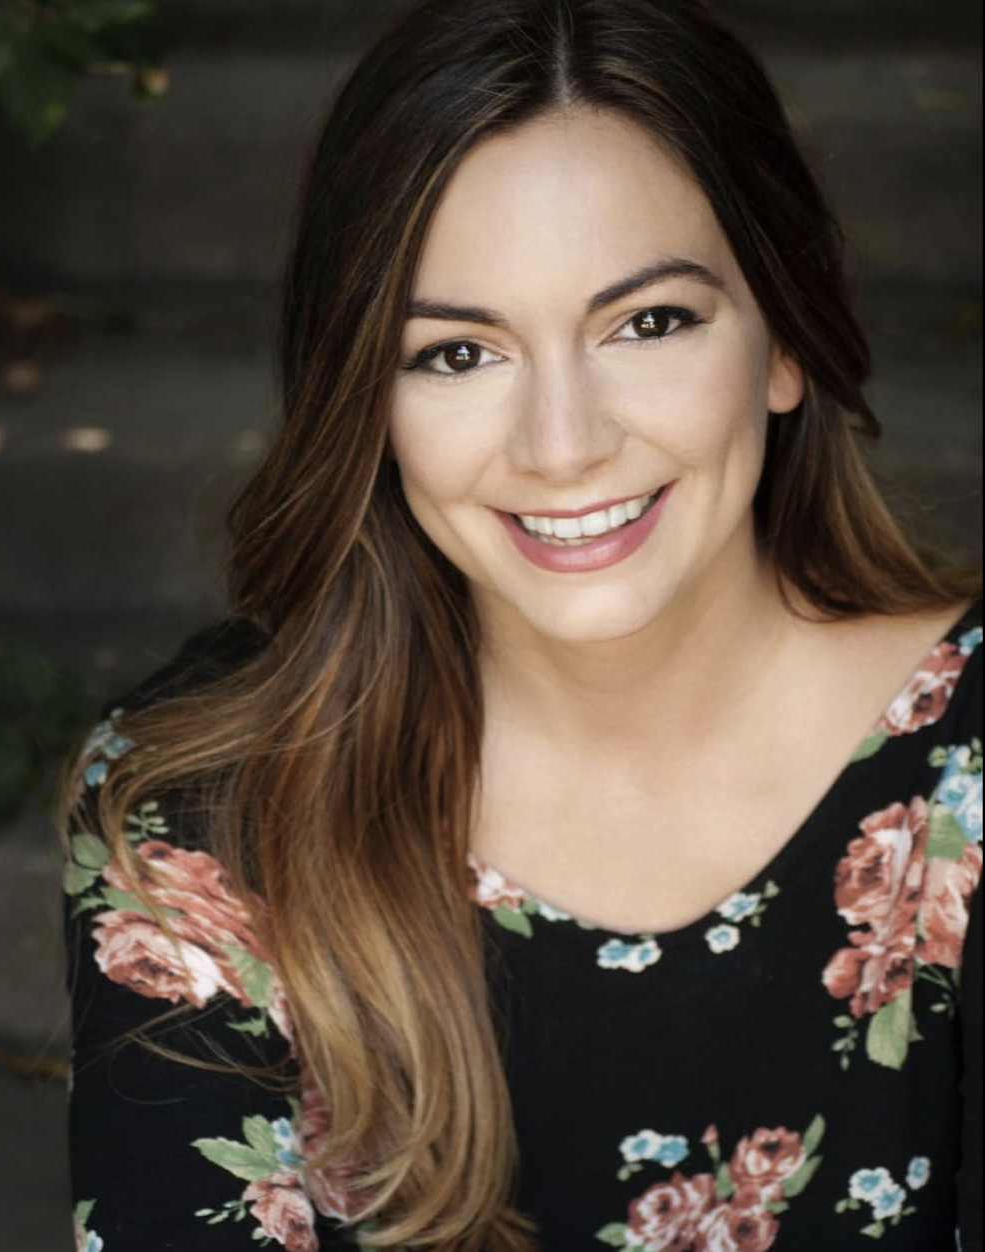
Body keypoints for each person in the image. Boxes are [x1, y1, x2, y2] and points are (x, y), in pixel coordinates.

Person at [61, 0, 982, 1249]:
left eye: (647, 322)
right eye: (453, 353)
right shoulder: (206, 815)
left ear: (783, 337)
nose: (563, 444)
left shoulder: (963, 777)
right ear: (362, 399)